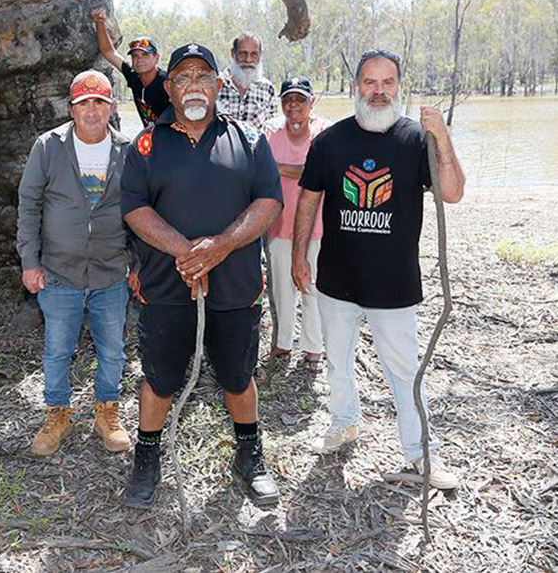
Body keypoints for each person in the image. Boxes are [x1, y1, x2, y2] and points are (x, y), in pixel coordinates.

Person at [292, 49, 465, 489]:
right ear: (356, 87)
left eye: (388, 82)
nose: (379, 91)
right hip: (337, 280)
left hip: (394, 283)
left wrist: (442, 137)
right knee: (338, 362)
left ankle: (421, 454)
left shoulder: (416, 139)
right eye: (370, 82)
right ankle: (344, 422)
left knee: (405, 371)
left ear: (399, 87)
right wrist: (298, 255)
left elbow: (452, 193)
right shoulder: (330, 142)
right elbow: (308, 199)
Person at [121, 43, 284, 508]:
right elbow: (134, 208)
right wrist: (187, 253)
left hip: (235, 286)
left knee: (238, 376)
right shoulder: (145, 146)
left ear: (217, 86)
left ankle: (249, 456)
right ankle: (147, 459)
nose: (194, 85)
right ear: (169, 88)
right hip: (165, 286)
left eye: (203, 77)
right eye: (183, 78)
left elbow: (269, 201)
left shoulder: (249, 140)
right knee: (159, 379)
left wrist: (221, 246)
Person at [17, 70, 138, 457]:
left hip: (110, 271)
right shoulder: (48, 146)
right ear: (71, 108)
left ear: (112, 107)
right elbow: (29, 205)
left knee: (112, 350)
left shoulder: (127, 149)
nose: (92, 110)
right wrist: (29, 261)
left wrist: (137, 265)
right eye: (84, 103)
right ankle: (57, 414)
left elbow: (141, 209)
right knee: (57, 350)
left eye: (99, 102)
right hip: (59, 272)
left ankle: (107, 413)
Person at [265, 77, 329, 372]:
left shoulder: (324, 132)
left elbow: (320, 172)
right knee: (281, 287)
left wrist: (280, 168)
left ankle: (314, 346)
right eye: (288, 100)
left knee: (312, 286)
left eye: (300, 100)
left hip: (316, 224)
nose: (294, 106)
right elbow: (260, 170)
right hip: (278, 223)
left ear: (311, 102)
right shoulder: (270, 132)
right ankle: (283, 341)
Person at [91, 7, 170, 126]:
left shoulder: (167, 83)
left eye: (145, 55)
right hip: (150, 135)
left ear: (156, 58)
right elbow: (108, 51)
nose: (139, 60)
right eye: (135, 56)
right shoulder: (134, 76)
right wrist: (99, 22)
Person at [216, 32, 279, 136]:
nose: (248, 60)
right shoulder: (216, 84)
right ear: (232, 53)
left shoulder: (267, 88)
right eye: (243, 54)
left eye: (254, 54)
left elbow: (273, 130)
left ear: (260, 55)